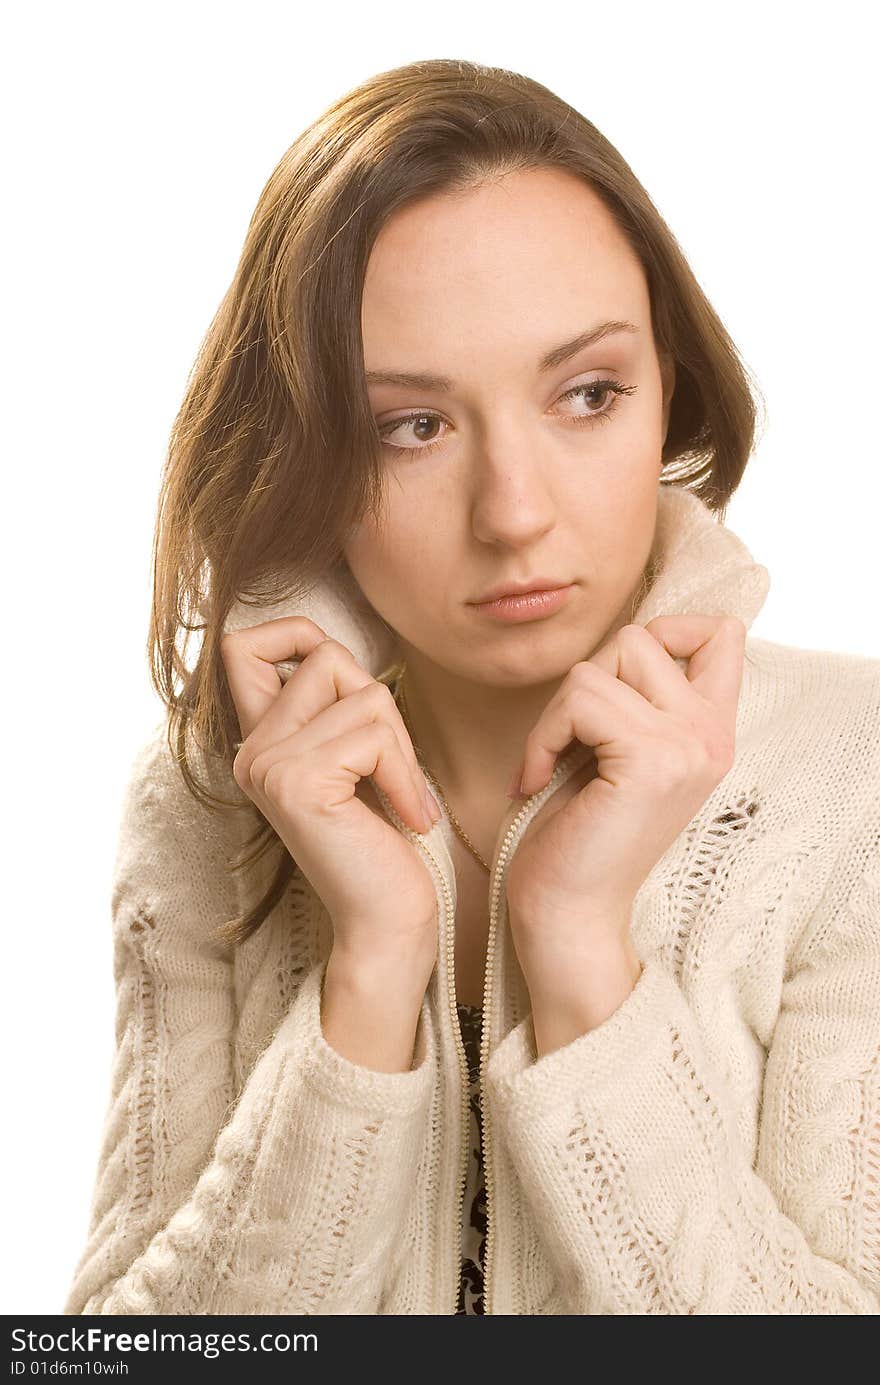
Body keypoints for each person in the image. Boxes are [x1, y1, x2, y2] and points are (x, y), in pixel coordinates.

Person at [63, 58, 879, 1317]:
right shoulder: (209, 799)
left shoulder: (853, 776)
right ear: (308, 451)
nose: (515, 513)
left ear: (669, 388)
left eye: (587, 394)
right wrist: (372, 967)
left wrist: (576, 948)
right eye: (412, 426)